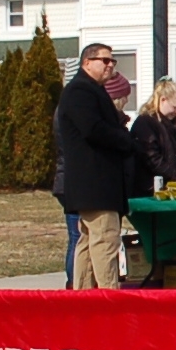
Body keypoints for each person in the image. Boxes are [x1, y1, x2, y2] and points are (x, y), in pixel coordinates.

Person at [60, 43, 137, 289]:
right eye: (104, 61)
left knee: (88, 240)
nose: (110, 65)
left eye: (112, 61)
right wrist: (127, 141)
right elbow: (93, 129)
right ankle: (108, 296)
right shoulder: (80, 91)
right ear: (87, 63)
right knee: (105, 239)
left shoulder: (92, 90)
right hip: (94, 183)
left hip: (94, 183)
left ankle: (83, 296)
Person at [132, 78, 176, 187]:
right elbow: (152, 159)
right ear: (163, 100)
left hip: (170, 186)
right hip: (151, 188)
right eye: (175, 107)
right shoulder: (145, 123)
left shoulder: (172, 125)